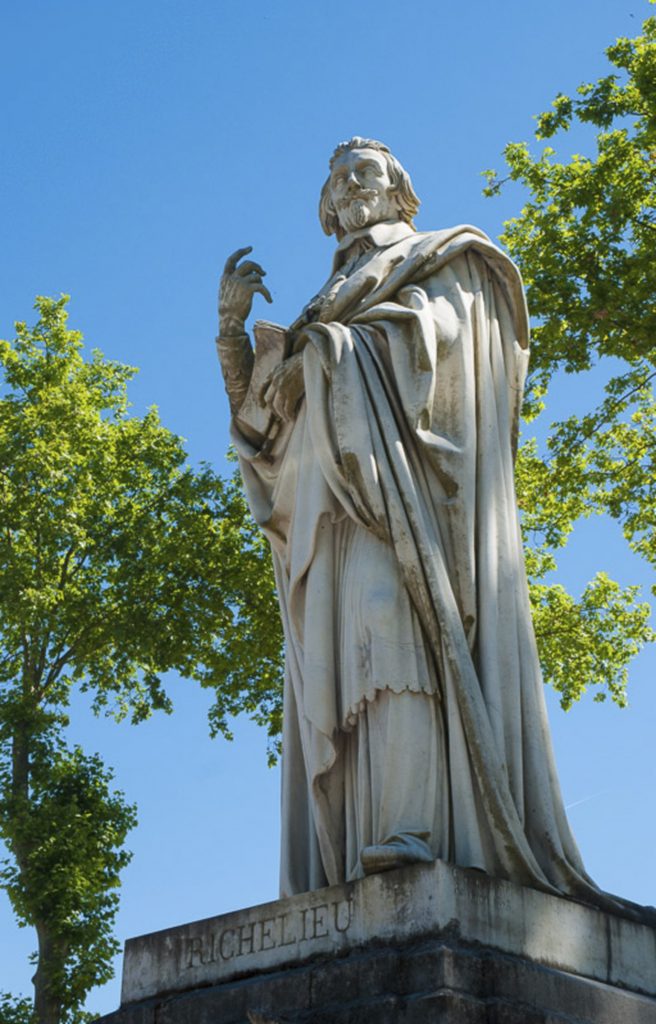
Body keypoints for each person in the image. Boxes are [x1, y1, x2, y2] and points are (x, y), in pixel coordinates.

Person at [215, 137, 614, 908]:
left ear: (399, 191)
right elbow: (259, 429)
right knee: (342, 663)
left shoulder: (447, 258)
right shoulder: (317, 302)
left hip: (402, 497)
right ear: (327, 207)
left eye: (367, 171)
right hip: (323, 511)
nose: (351, 183)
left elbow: (453, 348)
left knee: (387, 624)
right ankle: (354, 857)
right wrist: (235, 338)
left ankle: (413, 827)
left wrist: (332, 355)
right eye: (337, 177)